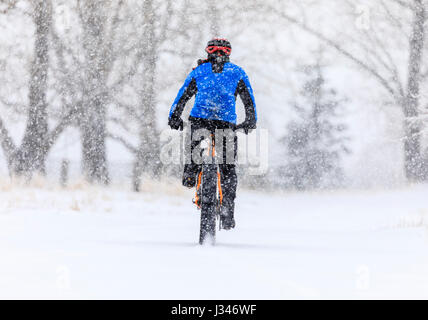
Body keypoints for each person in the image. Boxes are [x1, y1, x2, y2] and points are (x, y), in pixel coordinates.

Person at [168, 38, 257, 230]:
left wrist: (174, 115)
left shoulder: (199, 71)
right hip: (225, 122)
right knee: (227, 168)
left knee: (194, 149)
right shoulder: (237, 72)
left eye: (220, 52)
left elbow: (182, 95)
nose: (218, 55)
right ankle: (227, 211)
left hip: (200, 119)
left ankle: (191, 174)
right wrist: (251, 119)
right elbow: (248, 99)